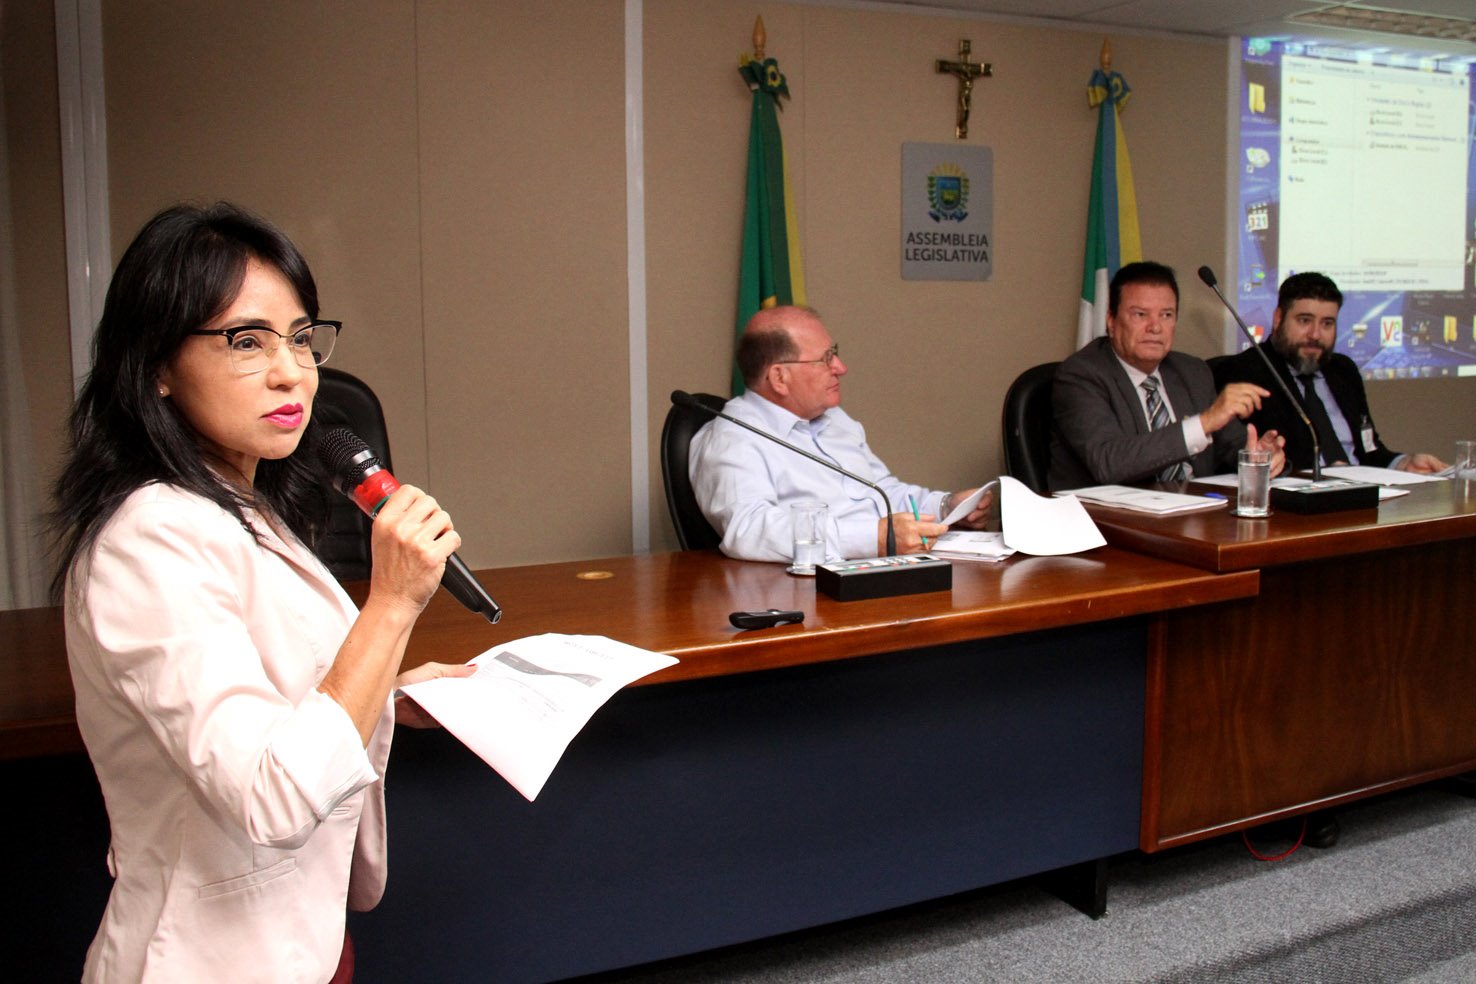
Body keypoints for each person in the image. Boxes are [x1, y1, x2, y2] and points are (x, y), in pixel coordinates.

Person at [52, 202, 474, 983]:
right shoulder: (147, 538)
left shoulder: (243, 504)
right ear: (156, 366)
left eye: (300, 337)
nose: (292, 371)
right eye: (246, 341)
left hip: (305, 938)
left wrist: (388, 694)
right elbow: (272, 792)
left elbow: (267, 698)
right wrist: (391, 604)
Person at [688, 305, 990, 562]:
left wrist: (946, 507)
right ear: (780, 377)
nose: (840, 367)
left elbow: (881, 492)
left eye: (835, 353)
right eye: (825, 359)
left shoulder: (833, 418)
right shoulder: (733, 438)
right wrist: (874, 538)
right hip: (812, 591)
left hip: (884, 569)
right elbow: (749, 529)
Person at [1049, 261, 1286, 491]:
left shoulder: (1192, 371)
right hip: (1109, 515)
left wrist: (1257, 455)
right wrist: (1203, 423)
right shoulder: (1081, 375)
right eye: (1140, 314)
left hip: (1195, 509)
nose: (1155, 327)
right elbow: (1109, 462)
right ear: (1111, 321)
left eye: (1166, 315)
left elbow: (1231, 443)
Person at [1213, 271, 1448, 474]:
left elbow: (1368, 449)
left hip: (1360, 496)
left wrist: (1402, 463)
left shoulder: (1343, 370)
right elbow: (1235, 459)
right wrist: (1326, 476)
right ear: (1278, 319)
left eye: (1327, 323)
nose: (1315, 334)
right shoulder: (1244, 372)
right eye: (1304, 320)